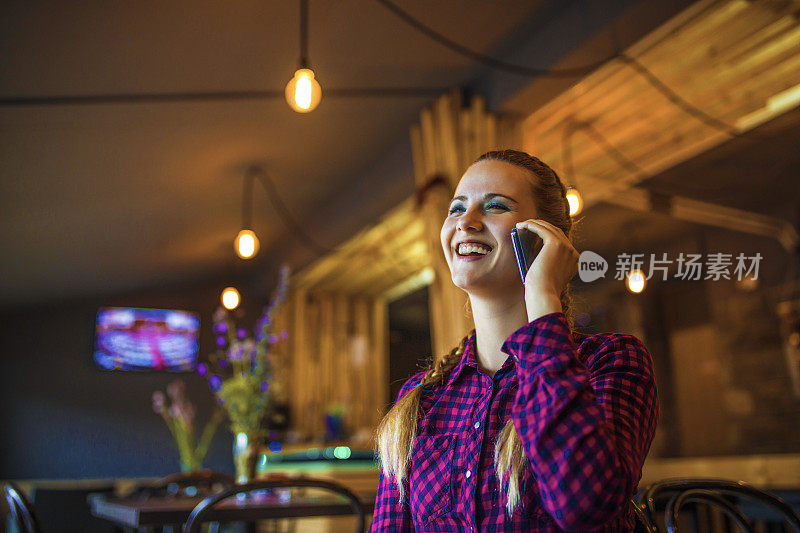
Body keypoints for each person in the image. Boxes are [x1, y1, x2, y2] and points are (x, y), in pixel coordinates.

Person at [372, 150, 658, 531]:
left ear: (545, 238)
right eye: (456, 209)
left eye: (495, 206)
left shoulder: (611, 361)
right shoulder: (420, 399)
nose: (466, 222)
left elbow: (584, 505)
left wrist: (542, 296)